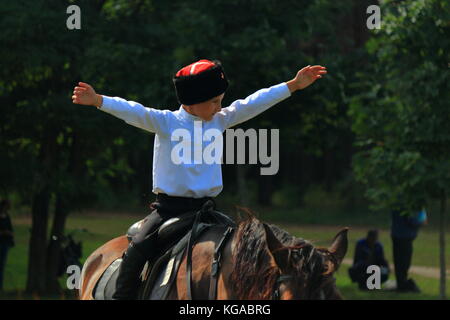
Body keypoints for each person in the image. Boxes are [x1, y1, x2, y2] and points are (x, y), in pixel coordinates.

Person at [72, 59, 327, 299]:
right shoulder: (167, 122)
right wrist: (98, 100)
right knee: (138, 248)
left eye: (221, 101)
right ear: (191, 102)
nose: (219, 107)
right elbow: (133, 111)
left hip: (207, 211)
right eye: (214, 102)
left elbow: (253, 103)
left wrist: (292, 86)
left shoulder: (219, 120)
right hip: (168, 210)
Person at [391, 208, 427, 293]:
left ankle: (401, 284)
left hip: (396, 234)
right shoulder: (407, 206)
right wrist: (422, 222)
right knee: (404, 262)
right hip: (405, 236)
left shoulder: (396, 203)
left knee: (398, 261)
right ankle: (402, 285)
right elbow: (411, 221)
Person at [0, 200, 14, 292]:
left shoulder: (7, 217)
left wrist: (9, 233)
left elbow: (11, 229)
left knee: (2, 265)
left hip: (5, 243)